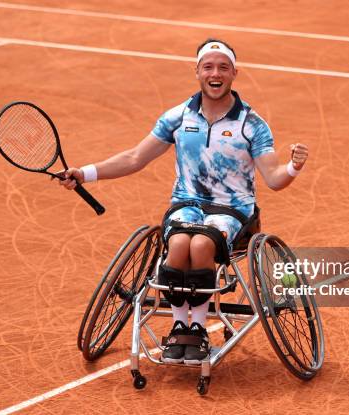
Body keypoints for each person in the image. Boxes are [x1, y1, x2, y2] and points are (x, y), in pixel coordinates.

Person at [59, 38, 308, 364]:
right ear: (197, 72)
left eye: (223, 67)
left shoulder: (252, 124)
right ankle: (180, 325)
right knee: (177, 243)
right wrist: (85, 173)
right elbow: (135, 157)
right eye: (208, 67)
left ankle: (199, 328)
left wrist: (293, 167)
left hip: (232, 208)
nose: (215, 73)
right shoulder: (178, 117)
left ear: (234, 73)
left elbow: (274, 179)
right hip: (187, 202)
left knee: (202, 245)